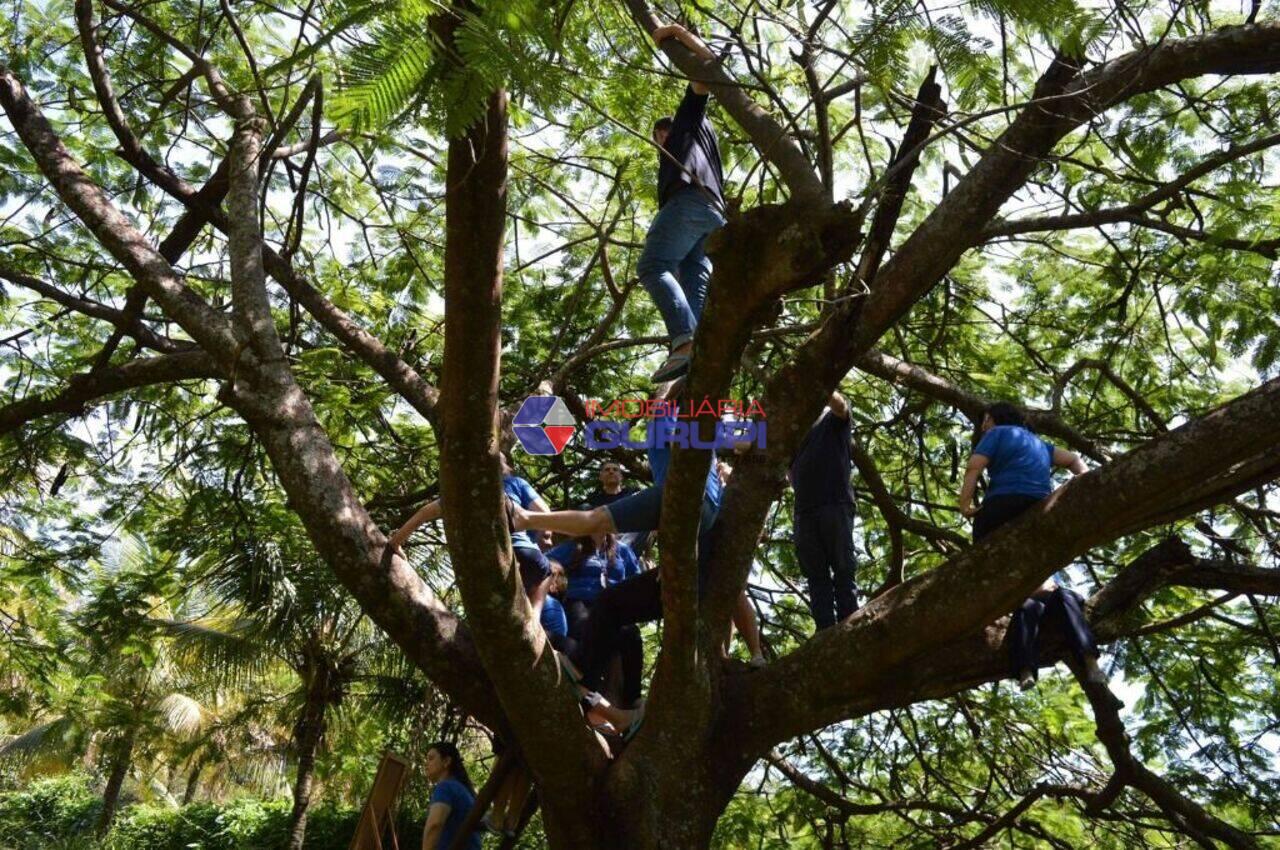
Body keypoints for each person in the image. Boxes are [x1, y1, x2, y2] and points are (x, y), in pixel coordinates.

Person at [957, 401, 1107, 689]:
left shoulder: (997, 434)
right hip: (1039, 506)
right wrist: (1086, 483)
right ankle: (1074, 660)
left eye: (985, 420)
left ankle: (991, 590)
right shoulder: (1040, 444)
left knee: (981, 555)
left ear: (993, 418)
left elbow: (974, 467)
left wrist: (965, 504)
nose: (983, 426)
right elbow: (1074, 459)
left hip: (1003, 504)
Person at [641, 21, 727, 383]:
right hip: (709, 216)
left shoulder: (688, 126)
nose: (662, 134)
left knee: (653, 265)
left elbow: (707, 69)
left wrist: (675, 32)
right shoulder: (674, 154)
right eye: (657, 133)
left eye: (665, 128)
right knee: (693, 274)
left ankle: (684, 342)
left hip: (693, 204)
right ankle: (700, 346)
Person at [390, 455, 554, 613]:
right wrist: (543, 537)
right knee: (547, 572)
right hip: (523, 553)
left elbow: (424, 513)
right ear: (508, 468)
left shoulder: (461, 493)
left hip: (480, 563)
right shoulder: (516, 483)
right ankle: (535, 615)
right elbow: (545, 513)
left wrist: (396, 542)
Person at [546, 533, 646, 706]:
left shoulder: (622, 550)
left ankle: (633, 697)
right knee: (586, 629)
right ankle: (587, 689)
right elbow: (545, 561)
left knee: (631, 634)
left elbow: (636, 580)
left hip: (614, 608)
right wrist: (555, 573)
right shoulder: (573, 546)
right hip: (581, 602)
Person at [789, 392, 859, 630]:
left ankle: (851, 624)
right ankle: (825, 630)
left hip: (835, 504)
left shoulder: (833, 421)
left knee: (843, 570)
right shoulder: (793, 438)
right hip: (804, 512)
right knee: (816, 576)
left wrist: (821, 384)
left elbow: (840, 406)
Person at [421, 742, 480, 850]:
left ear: (446, 761)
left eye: (431, 758)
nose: (426, 763)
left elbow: (434, 825)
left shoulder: (446, 787)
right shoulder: (460, 788)